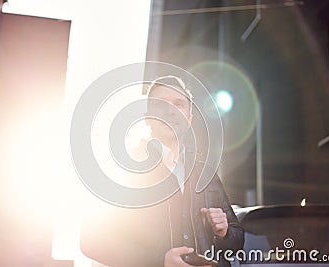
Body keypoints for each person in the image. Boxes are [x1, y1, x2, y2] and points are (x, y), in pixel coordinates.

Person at [80, 76, 244, 267]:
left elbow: (237, 242)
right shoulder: (122, 171)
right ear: (147, 117)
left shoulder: (206, 174)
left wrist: (224, 232)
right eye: (161, 104)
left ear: (189, 119)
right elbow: (91, 239)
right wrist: (158, 262)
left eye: (179, 104)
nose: (170, 111)